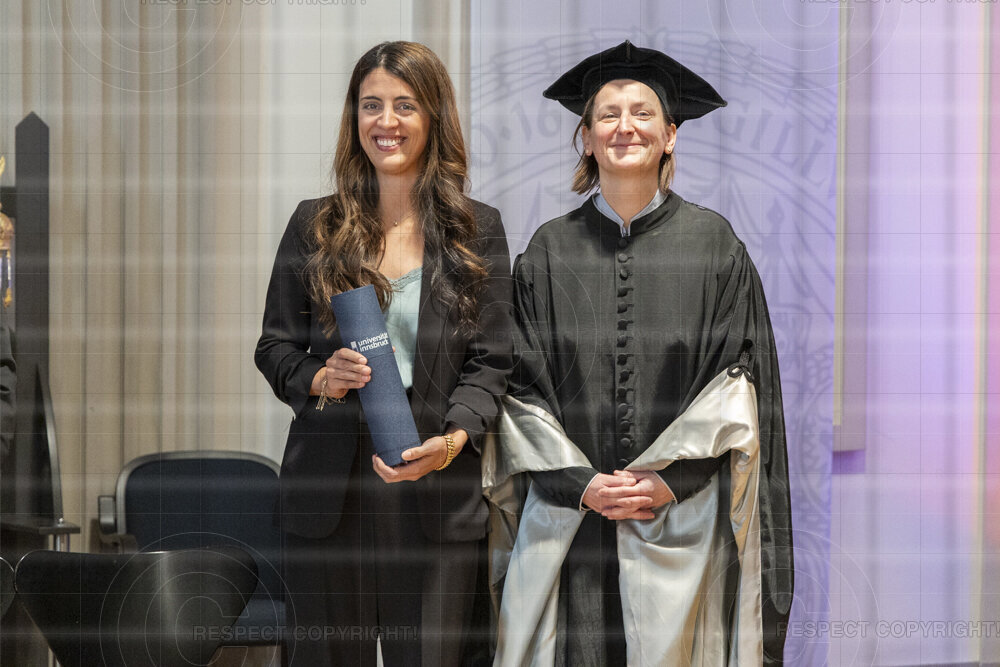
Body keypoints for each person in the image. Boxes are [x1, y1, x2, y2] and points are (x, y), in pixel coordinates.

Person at [490, 41, 793, 665]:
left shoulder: (715, 249)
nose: (624, 126)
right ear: (586, 138)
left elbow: (739, 394)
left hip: (682, 525)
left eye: (642, 113)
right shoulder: (547, 253)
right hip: (574, 524)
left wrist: (667, 483)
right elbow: (520, 390)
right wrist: (582, 485)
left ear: (670, 135)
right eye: (608, 114)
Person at [255, 41, 512, 666]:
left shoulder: (477, 230)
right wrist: (320, 377)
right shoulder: (313, 224)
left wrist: (450, 442)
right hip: (328, 499)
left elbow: (493, 361)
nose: (386, 121)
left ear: (433, 117)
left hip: (435, 493)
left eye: (405, 105)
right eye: (371, 105)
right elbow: (275, 346)